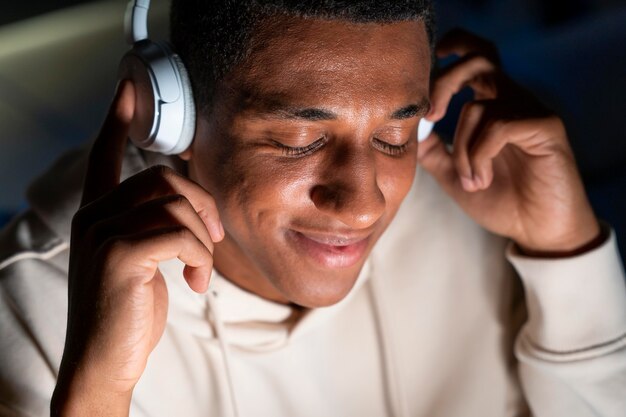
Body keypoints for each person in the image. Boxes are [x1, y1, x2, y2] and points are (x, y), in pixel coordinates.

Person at [1, 1, 625, 416]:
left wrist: (566, 249)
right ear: (170, 117)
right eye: (298, 139)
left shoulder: (473, 203)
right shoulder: (37, 297)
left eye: (393, 136)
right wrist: (96, 395)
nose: (362, 203)